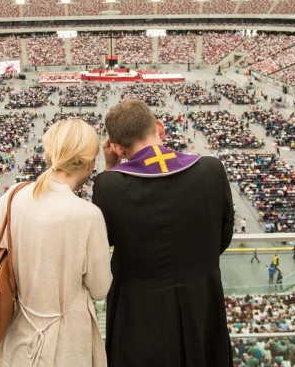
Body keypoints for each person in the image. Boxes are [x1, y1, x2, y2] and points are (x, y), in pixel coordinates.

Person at [92, 99, 233, 366]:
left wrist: (111, 170)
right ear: (160, 128)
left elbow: (105, 240)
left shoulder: (108, 185)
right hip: (202, 305)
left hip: (139, 315)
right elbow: (222, 237)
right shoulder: (212, 169)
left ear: (118, 148)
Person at [0, 118, 112, 366]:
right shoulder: (88, 215)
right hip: (68, 342)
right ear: (90, 163)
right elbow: (100, 289)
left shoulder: (16, 195)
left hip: (19, 330)